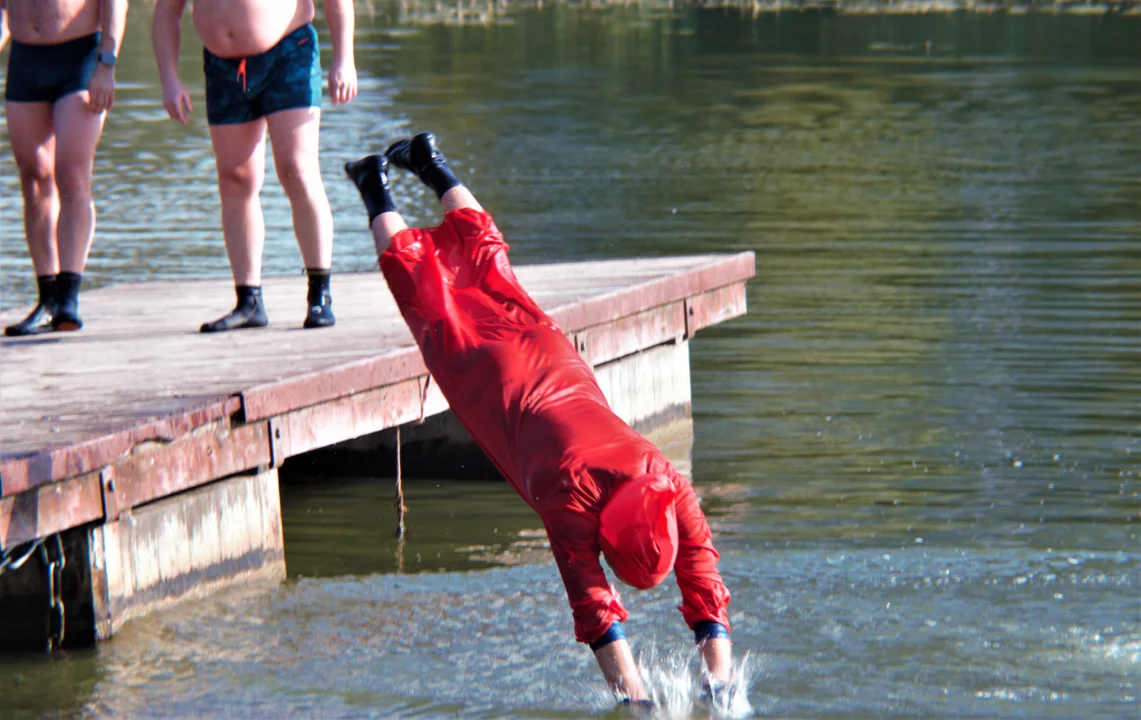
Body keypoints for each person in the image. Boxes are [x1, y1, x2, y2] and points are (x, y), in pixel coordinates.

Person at [345, 133, 734, 704]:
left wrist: (715, 681)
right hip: (487, 377)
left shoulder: (664, 478)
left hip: (549, 351)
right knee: (423, 288)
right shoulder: (570, 500)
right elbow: (597, 610)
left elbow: (703, 580)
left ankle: (432, 162)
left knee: (488, 263)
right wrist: (639, 702)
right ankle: (373, 183)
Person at [152, 0, 358, 332]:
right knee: (235, 179)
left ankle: (319, 294)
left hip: (289, 53)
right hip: (222, 65)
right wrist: (170, 78)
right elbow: (167, 11)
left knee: (296, 169)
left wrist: (344, 59)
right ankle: (249, 301)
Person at [2, 0, 127, 336]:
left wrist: (107, 62)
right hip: (26, 59)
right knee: (33, 177)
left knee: (72, 174)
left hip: (80, 57)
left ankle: (68, 296)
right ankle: (46, 297)